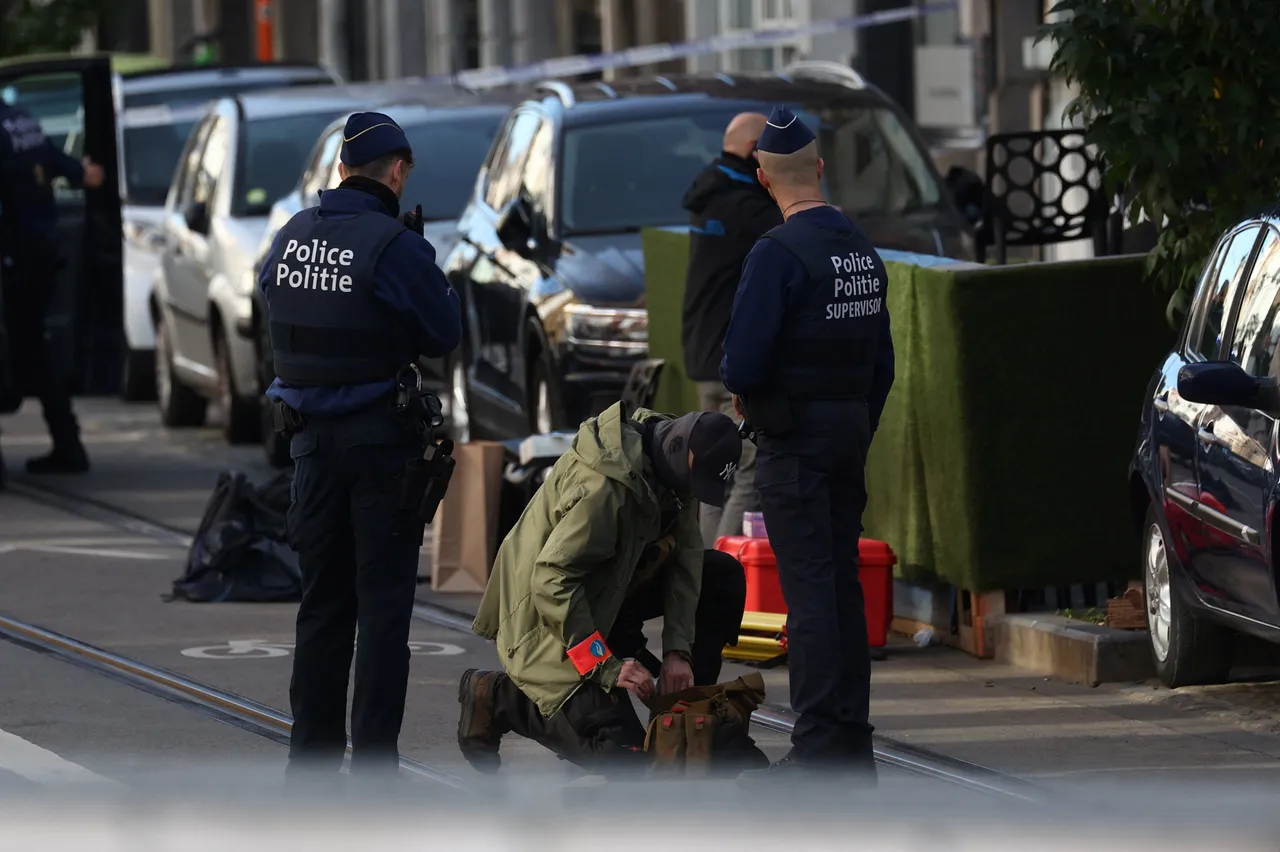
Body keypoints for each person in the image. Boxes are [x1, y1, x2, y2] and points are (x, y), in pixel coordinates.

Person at [259, 112, 461, 777]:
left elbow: (273, 304)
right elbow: (443, 332)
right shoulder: (393, 246)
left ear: (341, 170)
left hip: (309, 450)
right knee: (381, 614)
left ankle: (309, 772)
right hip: (380, 449)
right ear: (397, 172)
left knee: (322, 608)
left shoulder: (291, 236)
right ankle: (374, 775)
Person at [721, 106, 895, 779]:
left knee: (813, 594)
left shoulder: (777, 253)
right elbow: (882, 363)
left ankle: (820, 751)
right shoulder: (860, 248)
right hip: (848, 432)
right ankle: (850, 745)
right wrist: (857, 423)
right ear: (819, 169)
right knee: (841, 587)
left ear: (763, 178)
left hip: (794, 442)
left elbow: (741, 365)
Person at [456, 404, 747, 774]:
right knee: (622, 758)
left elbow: (687, 562)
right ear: (681, 455)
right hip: (545, 620)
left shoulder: (673, 470)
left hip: (608, 595)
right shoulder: (603, 488)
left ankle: (681, 723)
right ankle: (498, 697)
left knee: (721, 576)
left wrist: (679, 652)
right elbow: (551, 582)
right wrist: (605, 667)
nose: (695, 493)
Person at [681, 112, 783, 548]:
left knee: (715, 475)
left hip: (703, 354)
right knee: (749, 470)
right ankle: (725, 570)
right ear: (753, 152)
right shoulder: (747, 207)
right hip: (730, 363)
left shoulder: (710, 194)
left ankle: (706, 574)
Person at [0, 101, 105, 486]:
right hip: (39, 253)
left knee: (28, 348)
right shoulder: (20, 120)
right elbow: (70, 168)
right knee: (33, 349)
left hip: (12, 255)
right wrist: (83, 171)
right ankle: (68, 444)